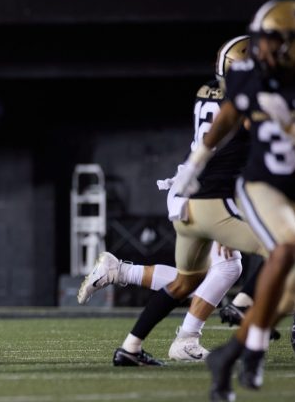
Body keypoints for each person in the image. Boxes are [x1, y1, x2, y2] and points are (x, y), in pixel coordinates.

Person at [97, 35, 270, 368]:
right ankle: (241, 311)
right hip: (213, 197)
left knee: (187, 281)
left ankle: (130, 347)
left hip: (188, 191)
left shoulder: (208, 91)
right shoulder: (248, 101)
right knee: (277, 250)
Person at [171, 0, 295, 400]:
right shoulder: (249, 72)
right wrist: (196, 162)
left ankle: (229, 354)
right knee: (287, 248)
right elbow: (228, 114)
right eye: (261, 39)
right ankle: (255, 348)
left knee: (291, 291)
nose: (263, 48)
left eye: (272, 40)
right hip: (264, 186)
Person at [79, 242, 242, 361]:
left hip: (198, 201)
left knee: (198, 280)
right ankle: (186, 339)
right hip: (203, 202)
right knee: (227, 267)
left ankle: (119, 271)